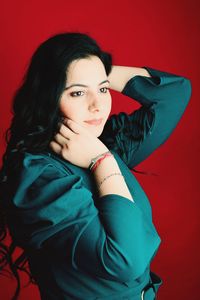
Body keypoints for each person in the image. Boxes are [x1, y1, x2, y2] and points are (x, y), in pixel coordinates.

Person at [0, 32, 192, 300]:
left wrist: (93, 71)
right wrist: (101, 162)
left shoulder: (102, 142)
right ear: (48, 96)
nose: (98, 105)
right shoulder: (40, 176)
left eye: (103, 89)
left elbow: (175, 92)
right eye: (77, 92)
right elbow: (126, 261)